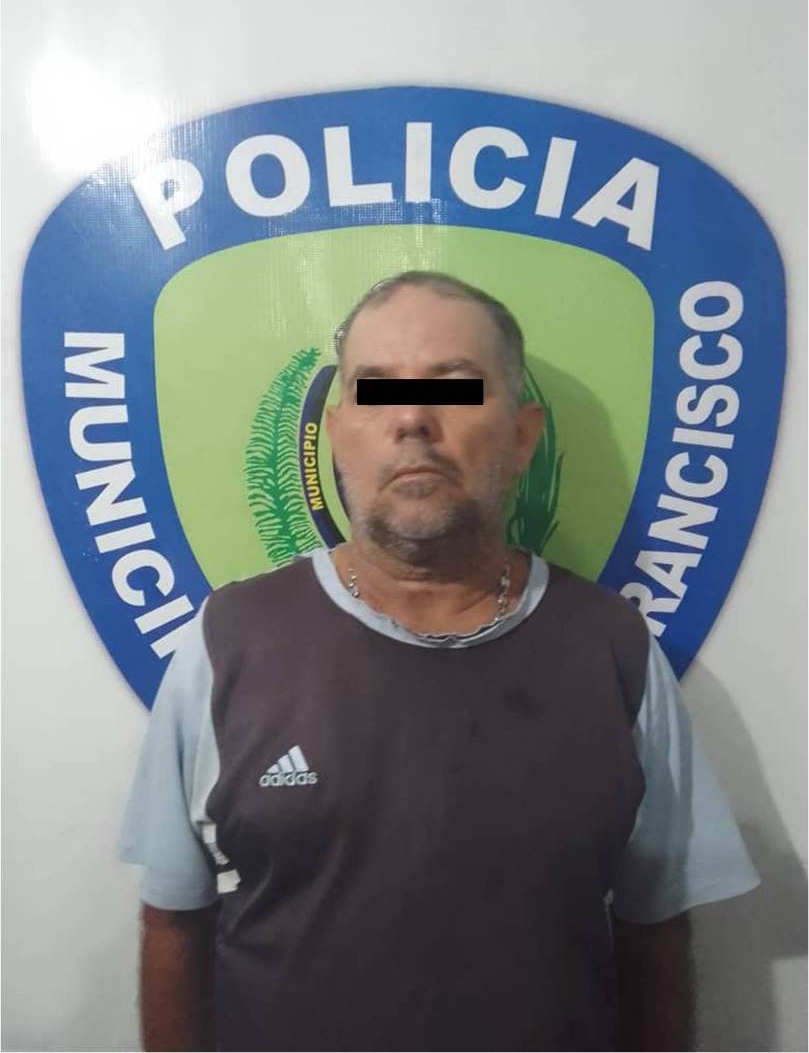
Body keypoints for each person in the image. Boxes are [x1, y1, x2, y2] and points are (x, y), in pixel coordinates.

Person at [119, 271, 760, 1052]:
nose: (413, 420)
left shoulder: (611, 647)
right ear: (335, 435)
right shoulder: (228, 642)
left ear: (521, 436)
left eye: (453, 389)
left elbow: (653, 928)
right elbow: (173, 919)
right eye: (376, 392)